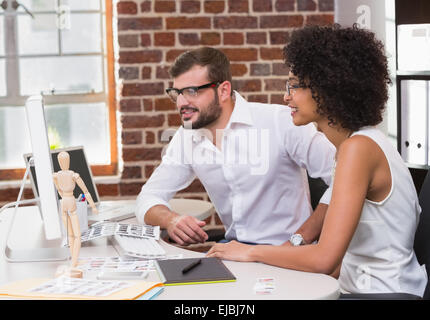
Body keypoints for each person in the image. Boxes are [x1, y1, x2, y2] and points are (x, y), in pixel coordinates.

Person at [207, 24, 428, 296]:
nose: (286, 96)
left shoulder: (358, 149)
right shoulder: (354, 144)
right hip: (359, 287)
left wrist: (249, 251)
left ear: (329, 88)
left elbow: (325, 259)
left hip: (382, 293)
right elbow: (344, 258)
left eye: (295, 85)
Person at [136, 47, 336, 247]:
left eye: (191, 91)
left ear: (223, 90)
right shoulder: (186, 136)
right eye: (176, 93)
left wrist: (299, 239)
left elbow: (342, 179)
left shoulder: (280, 121)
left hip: (289, 255)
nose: (181, 102)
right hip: (235, 252)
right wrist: (172, 220)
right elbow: (148, 197)